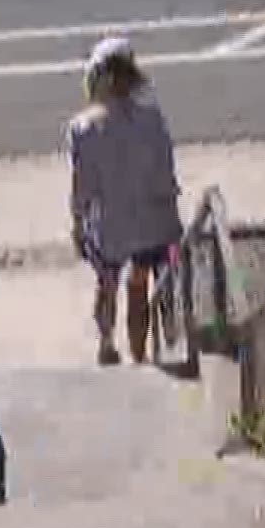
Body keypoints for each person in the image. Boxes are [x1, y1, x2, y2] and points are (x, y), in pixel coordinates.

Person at [62, 36, 184, 366]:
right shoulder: (152, 118)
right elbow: (165, 172)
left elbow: (82, 189)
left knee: (107, 281)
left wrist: (77, 223)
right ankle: (140, 353)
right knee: (140, 280)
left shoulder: (82, 129)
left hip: (110, 226)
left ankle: (106, 343)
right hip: (152, 221)